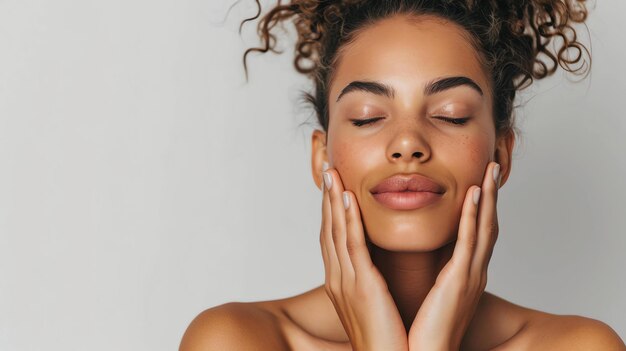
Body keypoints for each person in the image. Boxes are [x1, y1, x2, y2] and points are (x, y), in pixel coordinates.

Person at [180, 1, 626, 350]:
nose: (408, 143)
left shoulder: (580, 347)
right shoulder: (236, 341)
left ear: (501, 155)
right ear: (321, 158)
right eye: (368, 117)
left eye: (450, 115)